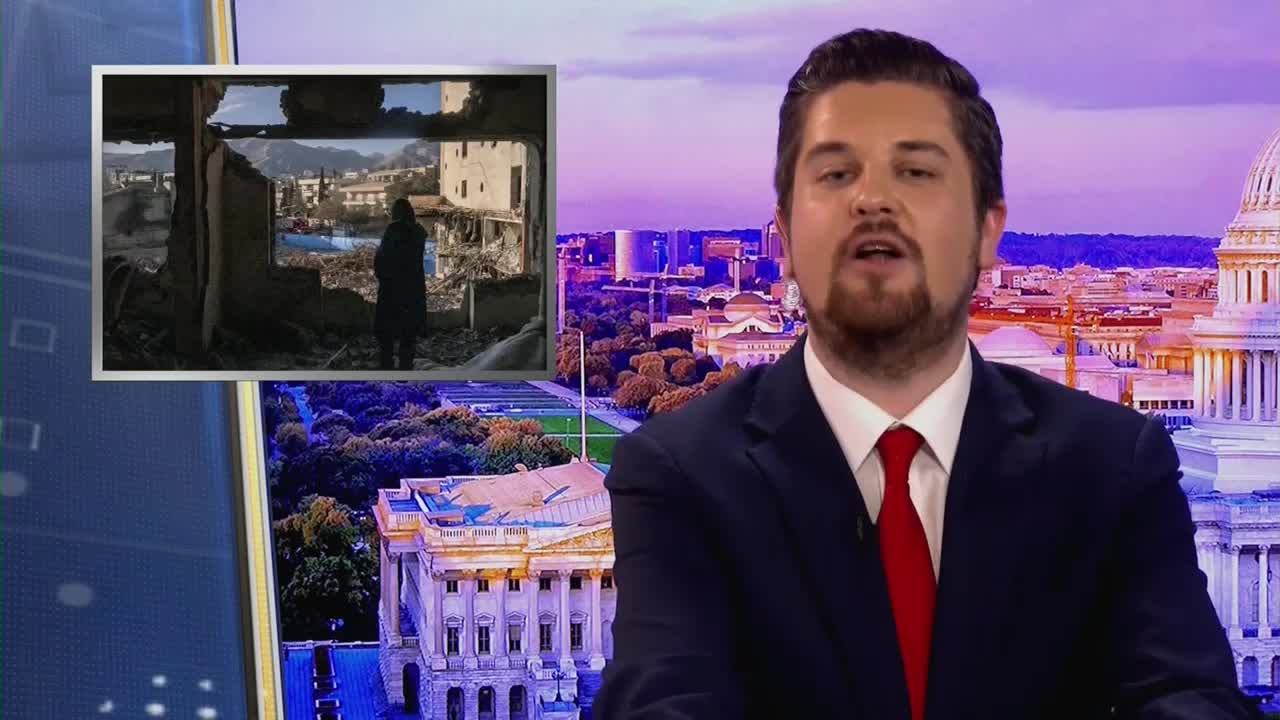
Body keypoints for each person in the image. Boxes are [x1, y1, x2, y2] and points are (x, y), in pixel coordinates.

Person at [594, 29, 1257, 720]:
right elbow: (666, 702)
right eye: (836, 173)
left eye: (916, 172)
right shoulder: (680, 474)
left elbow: (1188, 702)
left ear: (987, 233)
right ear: (784, 239)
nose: (873, 202)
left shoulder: (1115, 466)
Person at [374, 198, 428, 370]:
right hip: (413, 291)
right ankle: (405, 375)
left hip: (392, 290)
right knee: (408, 338)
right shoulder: (419, 232)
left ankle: (387, 375)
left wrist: (383, 275)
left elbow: (382, 258)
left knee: (387, 339)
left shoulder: (394, 230)